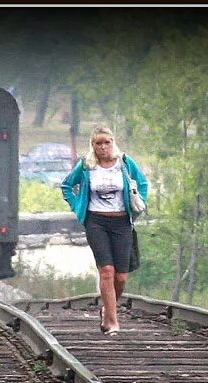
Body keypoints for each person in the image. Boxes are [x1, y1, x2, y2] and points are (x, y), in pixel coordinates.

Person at [61, 125, 149, 335]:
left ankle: (107, 309)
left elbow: (143, 183)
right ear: (92, 146)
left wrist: (140, 202)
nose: (103, 147)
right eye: (98, 143)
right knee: (107, 272)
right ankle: (112, 321)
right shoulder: (86, 166)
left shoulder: (125, 163)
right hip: (96, 222)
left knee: (121, 277)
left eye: (106, 142)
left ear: (113, 143)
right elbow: (66, 186)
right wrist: (78, 207)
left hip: (122, 223)